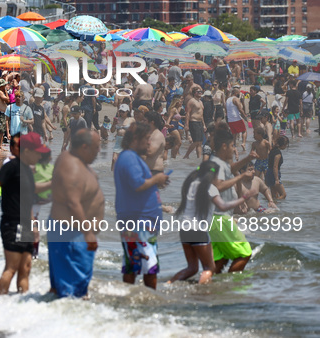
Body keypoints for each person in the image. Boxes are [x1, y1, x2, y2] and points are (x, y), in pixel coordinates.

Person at [0, 133, 48, 295]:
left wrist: (33, 224)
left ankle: (22, 304)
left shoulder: (28, 170)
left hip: (26, 224)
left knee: (26, 268)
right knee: (12, 267)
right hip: (12, 223)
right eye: (37, 152)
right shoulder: (11, 166)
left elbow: (27, 198)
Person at [169, 160, 256, 285]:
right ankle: (201, 290)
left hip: (184, 230)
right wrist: (244, 198)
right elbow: (223, 206)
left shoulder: (192, 184)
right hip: (199, 231)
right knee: (209, 268)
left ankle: (167, 284)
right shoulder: (211, 188)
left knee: (192, 268)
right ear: (213, 176)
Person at [48, 129, 104, 298]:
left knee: (68, 288)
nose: (99, 151)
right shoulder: (71, 166)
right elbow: (73, 202)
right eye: (96, 147)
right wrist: (88, 232)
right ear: (85, 147)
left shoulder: (74, 159)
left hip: (71, 233)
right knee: (72, 293)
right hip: (71, 234)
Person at [114, 122, 169, 289]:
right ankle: (149, 302)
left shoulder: (131, 157)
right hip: (137, 221)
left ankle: (133, 298)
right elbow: (137, 184)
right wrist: (156, 179)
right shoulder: (129, 157)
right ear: (134, 140)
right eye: (146, 139)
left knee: (135, 263)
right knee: (148, 267)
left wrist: (155, 182)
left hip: (140, 221)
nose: (149, 143)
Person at [209, 128, 255, 273]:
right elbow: (218, 186)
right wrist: (240, 177)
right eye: (232, 146)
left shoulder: (217, 161)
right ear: (224, 146)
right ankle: (232, 286)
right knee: (244, 253)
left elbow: (230, 169)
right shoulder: (217, 164)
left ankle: (209, 289)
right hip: (220, 218)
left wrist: (247, 159)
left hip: (213, 218)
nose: (233, 149)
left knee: (221, 259)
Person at [184, 87, 206, 159]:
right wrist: (186, 125)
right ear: (194, 93)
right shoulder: (191, 101)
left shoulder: (200, 102)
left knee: (200, 142)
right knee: (196, 141)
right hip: (193, 122)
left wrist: (204, 125)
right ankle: (186, 155)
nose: (200, 93)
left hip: (200, 122)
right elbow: (188, 113)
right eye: (198, 92)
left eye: (200, 91)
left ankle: (199, 158)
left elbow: (201, 114)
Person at [266, 135, 289, 200]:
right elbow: (275, 167)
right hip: (274, 174)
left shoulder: (272, 150)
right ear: (283, 144)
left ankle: (274, 208)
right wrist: (276, 179)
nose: (286, 146)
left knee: (274, 195)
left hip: (269, 173)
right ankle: (273, 205)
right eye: (286, 145)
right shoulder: (278, 153)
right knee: (283, 195)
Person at [226, 87, 248, 155]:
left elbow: (226, 110)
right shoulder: (235, 99)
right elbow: (240, 109)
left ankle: (234, 145)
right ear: (235, 93)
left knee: (234, 133)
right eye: (239, 93)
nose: (239, 94)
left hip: (230, 119)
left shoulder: (227, 100)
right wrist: (245, 117)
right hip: (236, 118)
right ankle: (243, 143)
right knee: (244, 130)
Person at [0, 79, 10, 151]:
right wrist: (6, 92)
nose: (5, 86)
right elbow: (7, 100)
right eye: (4, 85)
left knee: (2, 130)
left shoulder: (0, 92)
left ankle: (0, 145)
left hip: (3, 113)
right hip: (0, 113)